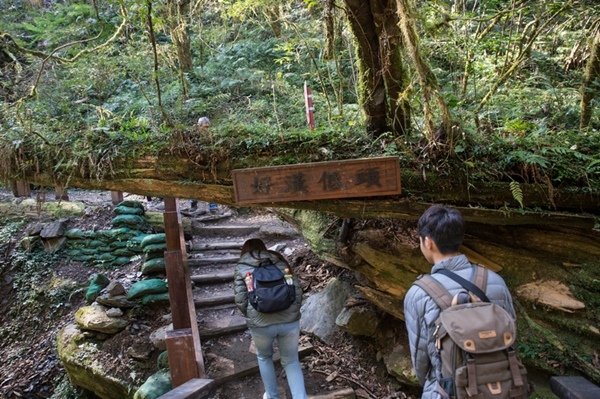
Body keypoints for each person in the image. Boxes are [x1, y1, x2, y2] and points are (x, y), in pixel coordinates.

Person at [403, 205, 516, 399]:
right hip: (500, 389)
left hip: (447, 391)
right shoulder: (496, 281)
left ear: (428, 242)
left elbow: (421, 360)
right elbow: (511, 333)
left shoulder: (418, 293)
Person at [233, 238, 307, 399]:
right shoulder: (280, 262)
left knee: (264, 357)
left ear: (245, 250)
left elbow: (240, 300)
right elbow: (297, 291)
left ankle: (272, 396)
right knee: (291, 361)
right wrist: (292, 313)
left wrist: (251, 315)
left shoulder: (242, 267)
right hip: (289, 321)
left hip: (261, 323)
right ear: (264, 248)